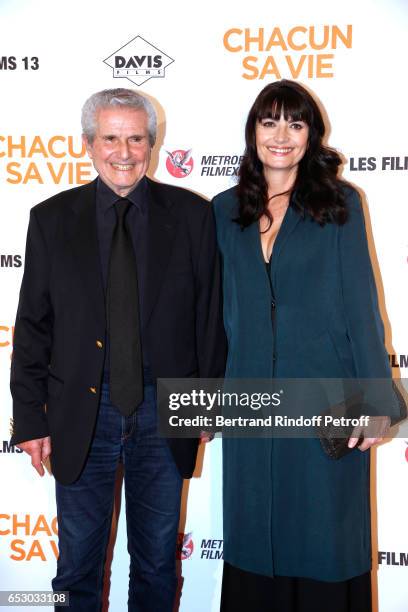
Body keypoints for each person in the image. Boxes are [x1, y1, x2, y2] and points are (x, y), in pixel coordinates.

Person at [10, 88, 226, 611]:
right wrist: (30, 420)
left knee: (155, 563)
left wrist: (207, 402)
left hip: (165, 407)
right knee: (78, 564)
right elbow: (33, 326)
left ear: (152, 144)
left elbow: (210, 319)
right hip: (81, 411)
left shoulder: (193, 216)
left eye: (135, 138)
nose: (123, 151)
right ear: (88, 144)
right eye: (110, 138)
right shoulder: (51, 219)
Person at [213, 80, 398, 612]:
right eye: (269, 121)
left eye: (295, 123)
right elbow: (212, 318)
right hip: (251, 405)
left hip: (328, 403)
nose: (281, 135)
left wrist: (376, 401)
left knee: (326, 539)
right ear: (253, 131)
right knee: (255, 533)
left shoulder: (340, 204)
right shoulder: (224, 212)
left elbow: (362, 310)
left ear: (311, 135)